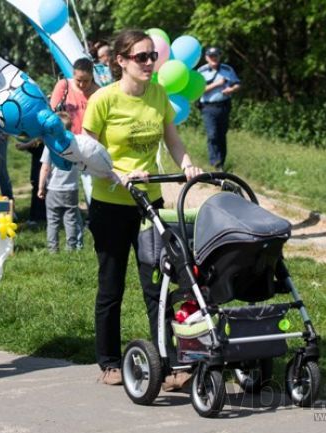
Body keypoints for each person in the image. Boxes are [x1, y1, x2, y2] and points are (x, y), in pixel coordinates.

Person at [82, 29, 202, 388]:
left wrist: (188, 166)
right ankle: (108, 362)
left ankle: (173, 363)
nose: (150, 63)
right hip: (111, 205)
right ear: (121, 61)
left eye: (152, 56)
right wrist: (121, 175)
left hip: (151, 206)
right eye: (141, 57)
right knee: (111, 285)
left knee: (162, 286)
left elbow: (173, 138)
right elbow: (86, 155)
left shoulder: (158, 94)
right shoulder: (103, 100)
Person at [49, 58, 99, 207]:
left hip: (89, 146)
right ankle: (68, 217)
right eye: (79, 81)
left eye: (87, 81)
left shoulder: (99, 92)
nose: (83, 85)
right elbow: (52, 114)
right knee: (64, 189)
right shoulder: (63, 86)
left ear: (92, 77)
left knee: (92, 188)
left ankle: (94, 217)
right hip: (65, 144)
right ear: (73, 75)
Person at [38, 112, 83, 252]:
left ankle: (53, 249)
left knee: (53, 221)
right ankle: (71, 248)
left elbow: (45, 168)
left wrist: (40, 187)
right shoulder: (75, 143)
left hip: (54, 189)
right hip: (71, 188)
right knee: (71, 220)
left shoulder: (50, 145)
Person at [197, 46, 241, 171]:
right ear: (206, 58)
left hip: (224, 105)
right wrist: (217, 84)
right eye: (211, 56)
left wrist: (231, 89)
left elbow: (237, 84)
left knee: (222, 134)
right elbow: (199, 90)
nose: (214, 58)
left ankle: (221, 162)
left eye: (216, 56)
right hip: (208, 107)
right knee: (212, 134)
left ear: (219, 56)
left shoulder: (227, 69)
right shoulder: (201, 71)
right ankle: (215, 162)